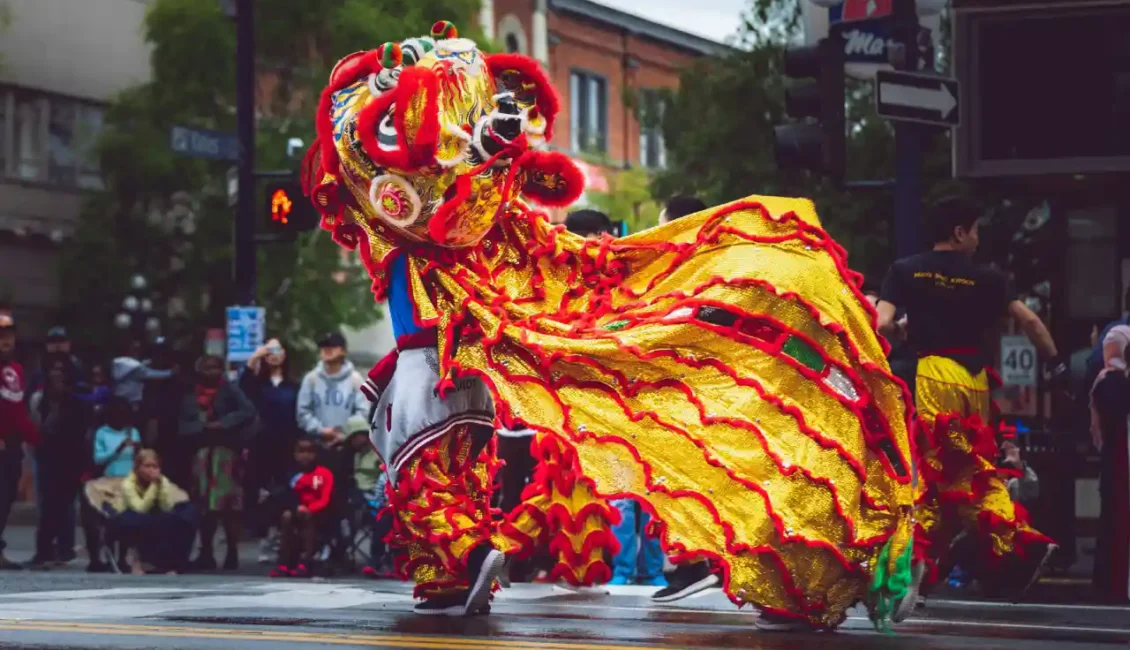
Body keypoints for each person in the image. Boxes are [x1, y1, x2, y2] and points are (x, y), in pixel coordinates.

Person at [305, 26, 915, 630]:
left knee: (425, 466)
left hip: (435, 368)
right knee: (443, 467)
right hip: (466, 371)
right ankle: (457, 569)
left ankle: (455, 564)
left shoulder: (470, 237)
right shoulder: (455, 236)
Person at [877, 196, 1061, 615]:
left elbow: (883, 323)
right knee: (960, 471)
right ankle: (921, 570)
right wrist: (1057, 364)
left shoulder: (905, 270)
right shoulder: (989, 278)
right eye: (975, 230)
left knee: (945, 471)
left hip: (934, 375)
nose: (978, 240)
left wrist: (901, 338)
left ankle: (1012, 541)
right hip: (976, 383)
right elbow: (1031, 322)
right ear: (959, 233)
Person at [180, 355, 256, 571]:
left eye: (215, 368)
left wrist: (223, 424)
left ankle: (232, 551)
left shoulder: (230, 389)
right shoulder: (191, 395)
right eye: (206, 368)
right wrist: (202, 427)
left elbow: (248, 411)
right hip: (202, 455)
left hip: (227, 453)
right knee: (204, 506)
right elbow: (183, 426)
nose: (211, 372)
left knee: (229, 506)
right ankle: (206, 551)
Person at [240, 338, 301, 560]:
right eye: (270, 352)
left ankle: (282, 538)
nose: (273, 355)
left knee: (286, 489)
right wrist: (256, 355)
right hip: (262, 444)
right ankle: (265, 536)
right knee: (261, 492)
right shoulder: (258, 384)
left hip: (288, 444)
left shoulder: (294, 386)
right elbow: (243, 384)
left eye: (277, 350)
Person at [27, 358, 90, 568]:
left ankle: (64, 550)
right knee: (48, 507)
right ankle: (43, 551)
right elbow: (36, 427)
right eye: (53, 376)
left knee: (65, 506)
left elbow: (81, 435)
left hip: (71, 460)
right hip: (47, 458)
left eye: (61, 376)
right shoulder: (41, 400)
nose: (57, 379)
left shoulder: (76, 404)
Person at [1088, 326, 1130, 603]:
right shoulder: (1119, 383)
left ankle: (1107, 582)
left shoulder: (1101, 381)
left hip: (1111, 459)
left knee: (1110, 519)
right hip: (1122, 459)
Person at [111, 450, 196, 574]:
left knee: (182, 518)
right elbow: (139, 508)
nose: (151, 470)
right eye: (147, 466)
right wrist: (153, 487)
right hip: (129, 518)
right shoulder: (128, 483)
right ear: (138, 467)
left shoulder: (162, 481)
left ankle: (173, 564)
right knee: (140, 522)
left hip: (153, 516)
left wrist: (161, 487)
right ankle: (138, 561)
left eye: (154, 466)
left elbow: (167, 506)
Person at [84, 396, 143, 571]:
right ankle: (104, 558)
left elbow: (140, 456)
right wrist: (118, 449)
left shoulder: (133, 432)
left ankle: (122, 557)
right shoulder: (102, 433)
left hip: (129, 481)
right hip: (109, 481)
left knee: (127, 521)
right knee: (109, 520)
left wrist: (138, 450)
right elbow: (98, 459)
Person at [0, 314, 38, 570]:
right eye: (1, 335)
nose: (6, 340)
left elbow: (19, 409)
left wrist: (36, 439)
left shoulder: (16, 370)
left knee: (5, 497)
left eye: (9, 334)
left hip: (12, 445)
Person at [269, 438, 334, 578]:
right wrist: (296, 507)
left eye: (309, 451)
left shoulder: (324, 473)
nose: (305, 455)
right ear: (295, 454)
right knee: (286, 517)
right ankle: (284, 561)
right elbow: (285, 495)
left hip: (318, 513)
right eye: (301, 451)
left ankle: (305, 561)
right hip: (295, 510)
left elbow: (325, 499)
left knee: (308, 519)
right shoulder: (290, 474)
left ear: (316, 454)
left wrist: (310, 509)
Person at [297, 333, 368, 448]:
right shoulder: (311, 379)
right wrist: (321, 430)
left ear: (343, 351)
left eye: (332, 346)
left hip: (347, 447)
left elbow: (363, 412)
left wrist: (343, 432)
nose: (327, 350)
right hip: (315, 446)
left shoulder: (355, 379)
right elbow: (303, 413)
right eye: (324, 347)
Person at [344, 415, 393, 577]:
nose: (356, 441)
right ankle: (342, 556)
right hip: (358, 494)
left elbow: (385, 477)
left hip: (377, 494)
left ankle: (381, 562)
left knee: (383, 520)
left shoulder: (377, 451)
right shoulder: (353, 454)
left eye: (360, 435)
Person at [112, 339, 175, 414]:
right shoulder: (132, 366)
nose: (138, 352)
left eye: (138, 349)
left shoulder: (118, 362)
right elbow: (148, 373)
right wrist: (170, 372)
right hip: (131, 403)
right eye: (135, 349)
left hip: (119, 399)